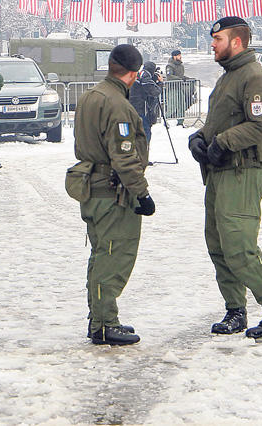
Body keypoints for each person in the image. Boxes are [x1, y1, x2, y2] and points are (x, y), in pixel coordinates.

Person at [188, 17, 262, 339]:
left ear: (237, 41)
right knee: (218, 245)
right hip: (221, 172)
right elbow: (220, 120)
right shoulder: (228, 77)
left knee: (238, 245)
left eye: (217, 38)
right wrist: (200, 137)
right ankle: (235, 310)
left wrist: (222, 143)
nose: (212, 43)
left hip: (242, 172)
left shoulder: (254, 77)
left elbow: (261, 126)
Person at [73, 44, 155, 346]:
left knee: (100, 255)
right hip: (112, 193)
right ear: (134, 74)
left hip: (92, 189)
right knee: (113, 256)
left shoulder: (90, 97)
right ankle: (105, 322)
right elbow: (123, 157)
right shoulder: (117, 104)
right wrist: (142, 194)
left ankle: (99, 319)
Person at [129, 61, 162, 145]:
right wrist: (160, 83)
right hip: (141, 109)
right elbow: (154, 91)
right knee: (145, 133)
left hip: (133, 107)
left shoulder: (139, 74)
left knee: (136, 133)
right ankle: (143, 154)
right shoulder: (145, 76)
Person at [165, 49, 189, 125]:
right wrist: (180, 79)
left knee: (182, 105)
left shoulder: (181, 65)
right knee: (172, 106)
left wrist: (186, 78)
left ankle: (180, 122)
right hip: (172, 88)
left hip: (179, 87)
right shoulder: (170, 65)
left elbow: (180, 76)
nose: (180, 56)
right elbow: (169, 76)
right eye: (178, 55)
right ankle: (165, 120)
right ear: (174, 56)